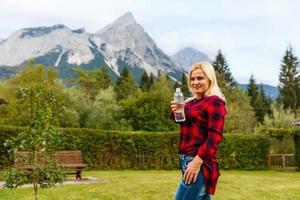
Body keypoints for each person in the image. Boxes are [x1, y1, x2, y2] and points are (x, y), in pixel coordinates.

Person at [170, 62, 227, 200]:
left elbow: (214, 136)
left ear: (210, 79)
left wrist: (196, 162)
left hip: (199, 161)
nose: (195, 82)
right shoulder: (190, 103)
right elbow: (183, 122)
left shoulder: (214, 102)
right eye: (192, 79)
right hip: (186, 160)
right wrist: (175, 111)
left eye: (200, 78)